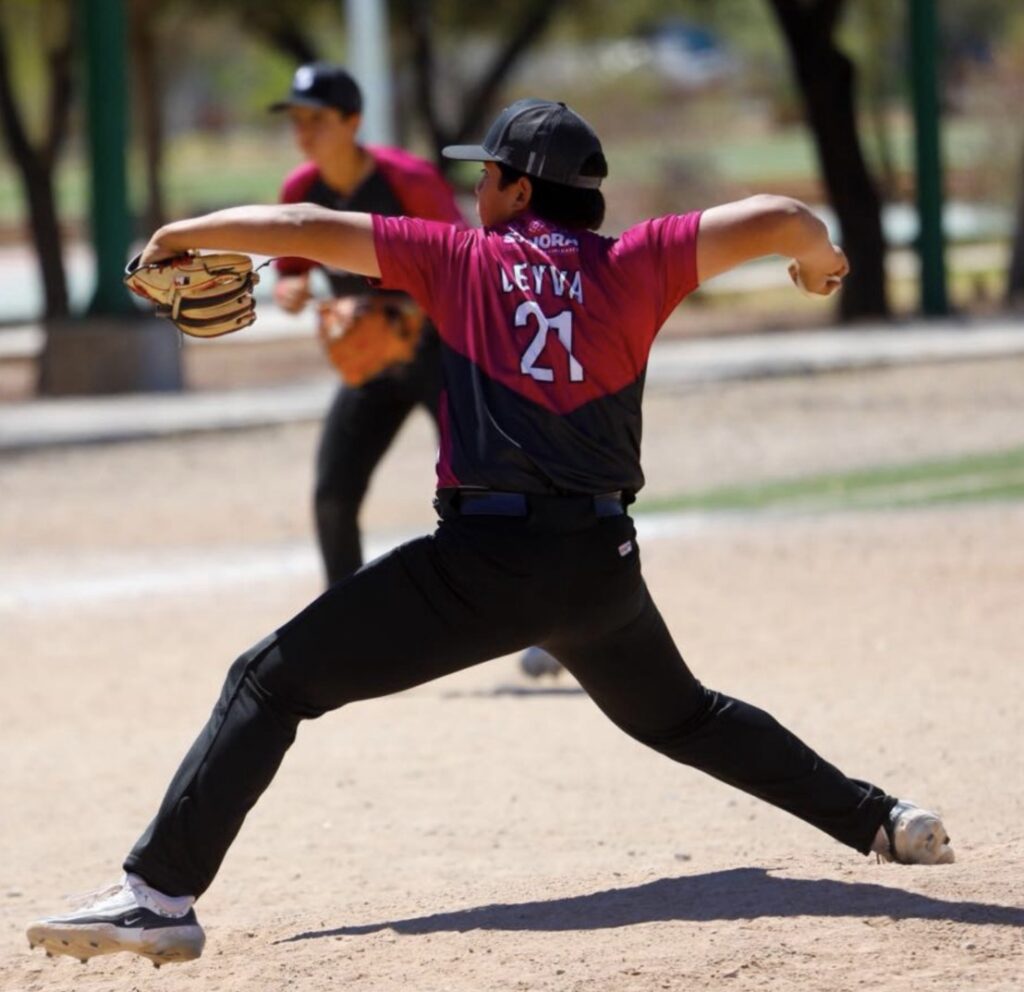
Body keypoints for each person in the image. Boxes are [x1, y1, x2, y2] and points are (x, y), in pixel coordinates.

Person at [27, 98, 954, 969]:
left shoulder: (461, 260)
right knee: (684, 718)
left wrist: (180, 234)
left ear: (517, 189)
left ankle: (157, 897)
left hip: (483, 567)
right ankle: (884, 820)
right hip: (601, 569)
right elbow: (785, 214)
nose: (476, 189)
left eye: (487, 176)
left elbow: (304, 229)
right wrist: (822, 267)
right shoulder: (639, 260)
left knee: (268, 680)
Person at [270, 62, 464, 586]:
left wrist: (404, 312)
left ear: (353, 121)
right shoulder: (301, 189)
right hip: (373, 359)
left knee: (479, 489)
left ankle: (512, 610)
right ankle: (343, 621)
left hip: (444, 355)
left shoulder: (407, 180)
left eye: (317, 118)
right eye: (296, 119)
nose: (303, 131)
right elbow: (289, 274)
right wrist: (291, 290)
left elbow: (466, 265)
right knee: (333, 495)